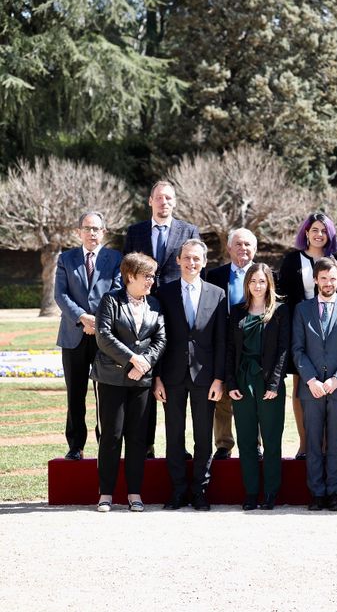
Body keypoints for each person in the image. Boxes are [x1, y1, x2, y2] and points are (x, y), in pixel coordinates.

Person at [122, 180, 200, 457]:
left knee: (174, 380)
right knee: (147, 376)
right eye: (159, 197)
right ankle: (146, 445)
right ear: (150, 201)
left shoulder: (189, 230)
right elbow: (127, 270)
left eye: (169, 198)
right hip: (142, 311)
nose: (164, 202)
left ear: (174, 202)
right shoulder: (135, 232)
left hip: (177, 311)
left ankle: (178, 447)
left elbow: (196, 268)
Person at [154, 239, 228, 511]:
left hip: (205, 377)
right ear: (178, 260)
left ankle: (199, 491)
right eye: (187, 258)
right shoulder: (164, 293)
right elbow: (158, 340)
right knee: (174, 435)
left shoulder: (217, 294)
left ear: (205, 262)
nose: (191, 263)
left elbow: (222, 340)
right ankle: (178, 490)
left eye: (197, 258)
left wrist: (219, 378)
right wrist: (157, 377)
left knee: (202, 436)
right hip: (171, 376)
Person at [90, 253, 166, 512]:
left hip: (141, 381)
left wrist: (144, 363)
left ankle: (134, 493)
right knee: (111, 436)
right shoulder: (110, 300)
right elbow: (103, 335)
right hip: (112, 378)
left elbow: (160, 338)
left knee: (137, 438)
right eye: (147, 276)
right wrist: (132, 360)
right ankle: (106, 493)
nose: (151, 281)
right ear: (130, 276)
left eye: (153, 276)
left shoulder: (155, 303)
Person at [293, 257, 337, 511]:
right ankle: (316, 493)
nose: (328, 283)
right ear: (315, 280)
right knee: (312, 442)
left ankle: (333, 493)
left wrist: (336, 378)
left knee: (335, 442)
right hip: (311, 388)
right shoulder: (302, 309)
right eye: (323, 278)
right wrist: (311, 379)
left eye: (333, 278)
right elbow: (297, 349)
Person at [55, 211, 122, 460]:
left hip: (105, 335)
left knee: (105, 393)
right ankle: (75, 446)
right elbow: (60, 295)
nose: (92, 233)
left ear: (104, 231)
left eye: (96, 228)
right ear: (79, 231)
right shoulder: (66, 258)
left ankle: (106, 442)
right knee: (75, 393)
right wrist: (83, 317)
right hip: (73, 335)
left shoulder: (114, 258)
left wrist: (98, 321)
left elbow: (116, 290)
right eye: (87, 228)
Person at [224, 263, 290, 511]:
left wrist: (274, 382)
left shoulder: (281, 311)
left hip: (269, 383)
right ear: (247, 284)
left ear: (269, 284)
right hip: (242, 382)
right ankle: (251, 492)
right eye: (253, 281)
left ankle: (271, 492)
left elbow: (284, 349)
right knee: (247, 439)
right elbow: (230, 350)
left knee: (272, 439)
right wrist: (231, 382)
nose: (257, 285)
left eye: (262, 281)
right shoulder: (237, 312)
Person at [277, 212, 337, 459]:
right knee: (301, 388)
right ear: (306, 233)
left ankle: (326, 445)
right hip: (300, 331)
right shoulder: (292, 261)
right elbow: (282, 297)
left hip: (331, 335)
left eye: (324, 230)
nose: (318, 234)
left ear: (330, 235)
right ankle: (305, 443)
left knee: (329, 389)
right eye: (314, 229)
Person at [205, 227, 258, 461]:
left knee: (251, 395)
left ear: (255, 249)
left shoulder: (263, 275)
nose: (243, 249)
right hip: (222, 343)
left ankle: (254, 443)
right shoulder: (215, 275)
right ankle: (224, 444)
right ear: (228, 248)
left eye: (247, 244)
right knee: (222, 396)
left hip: (252, 345)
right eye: (238, 244)